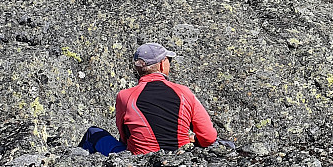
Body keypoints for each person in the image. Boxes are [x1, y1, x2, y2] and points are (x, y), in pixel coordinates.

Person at [80, 42, 232, 155]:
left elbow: (125, 137)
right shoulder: (184, 93)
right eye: (168, 61)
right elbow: (209, 137)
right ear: (161, 65)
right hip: (178, 156)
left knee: (93, 133)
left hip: (138, 159)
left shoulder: (125, 96)